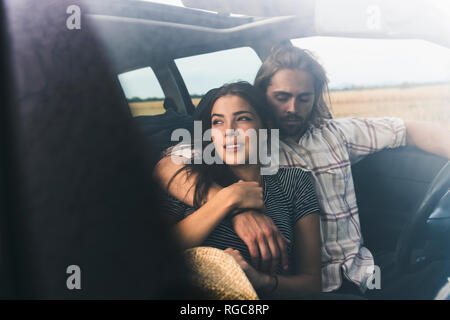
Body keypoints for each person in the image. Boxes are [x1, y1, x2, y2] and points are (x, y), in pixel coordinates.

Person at [155, 44, 450, 299]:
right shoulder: (243, 146)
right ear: (262, 95)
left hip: (361, 270)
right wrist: (234, 207)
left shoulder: (337, 134)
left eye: (304, 98)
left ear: (315, 97)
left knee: (439, 275)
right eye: (282, 97)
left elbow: (408, 130)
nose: (292, 108)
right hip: (300, 283)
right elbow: (168, 164)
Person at [161, 82, 322, 299]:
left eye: (243, 118)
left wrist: (261, 281)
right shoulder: (191, 179)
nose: (229, 131)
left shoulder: (294, 182)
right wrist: (229, 199)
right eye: (218, 122)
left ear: (265, 126)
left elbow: (311, 284)